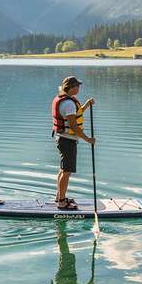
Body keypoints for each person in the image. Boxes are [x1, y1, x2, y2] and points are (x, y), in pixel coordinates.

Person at [51, 75, 95, 210]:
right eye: (77, 86)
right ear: (70, 88)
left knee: (63, 169)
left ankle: (59, 197)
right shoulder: (69, 103)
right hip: (67, 140)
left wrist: (86, 105)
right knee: (66, 171)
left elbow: (75, 114)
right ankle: (62, 202)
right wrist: (88, 139)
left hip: (62, 138)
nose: (79, 88)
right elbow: (74, 126)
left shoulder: (65, 100)